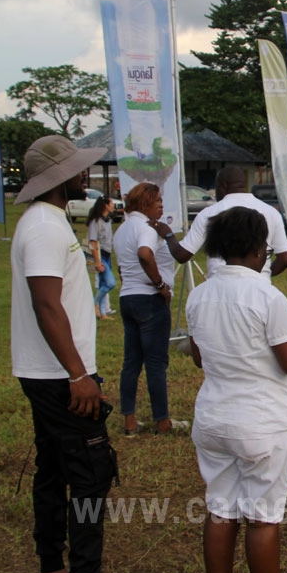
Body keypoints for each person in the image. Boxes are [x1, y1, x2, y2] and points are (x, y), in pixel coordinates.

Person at [185, 207, 287, 573]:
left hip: (213, 421)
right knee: (262, 519)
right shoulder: (267, 296)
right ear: (259, 249)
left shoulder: (198, 295)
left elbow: (200, 358)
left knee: (220, 510)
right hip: (262, 423)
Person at [10, 135, 115, 573]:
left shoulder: (48, 220)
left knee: (53, 469)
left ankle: (51, 562)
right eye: (78, 168)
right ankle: (83, 568)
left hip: (53, 372)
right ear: (61, 177)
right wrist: (78, 375)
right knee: (90, 477)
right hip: (59, 376)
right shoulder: (43, 226)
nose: (86, 175)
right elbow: (46, 303)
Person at [112, 182, 183, 436]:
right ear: (144, 204)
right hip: (150, 299)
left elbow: (122, 265)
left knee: (131, 362)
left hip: (127, 298)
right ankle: (162, 421)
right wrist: (160, 284)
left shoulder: (121, 230)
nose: (162, 205)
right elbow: (144, 254)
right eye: (158, 201)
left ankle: (129, 420)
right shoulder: (147, 229)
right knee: (155, 363)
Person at [164, 166, 287, 279]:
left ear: (223, 186)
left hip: (219, 289)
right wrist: (264, 274)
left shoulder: (209, 213)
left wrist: (168, 234)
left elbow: (182, 255)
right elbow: (284, 259)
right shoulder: (271, 212)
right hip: (259, 288)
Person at [87, 196, 116, 320]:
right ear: (105, 205)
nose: (113, 206)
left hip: (107, 253)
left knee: (103, 284)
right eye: (111, 204)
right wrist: (97, 262)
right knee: (110, 283)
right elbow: (92, 241)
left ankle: (103, 312)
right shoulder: (96, 221)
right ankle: (93, 303)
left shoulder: (108, 221)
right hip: (99, 254)